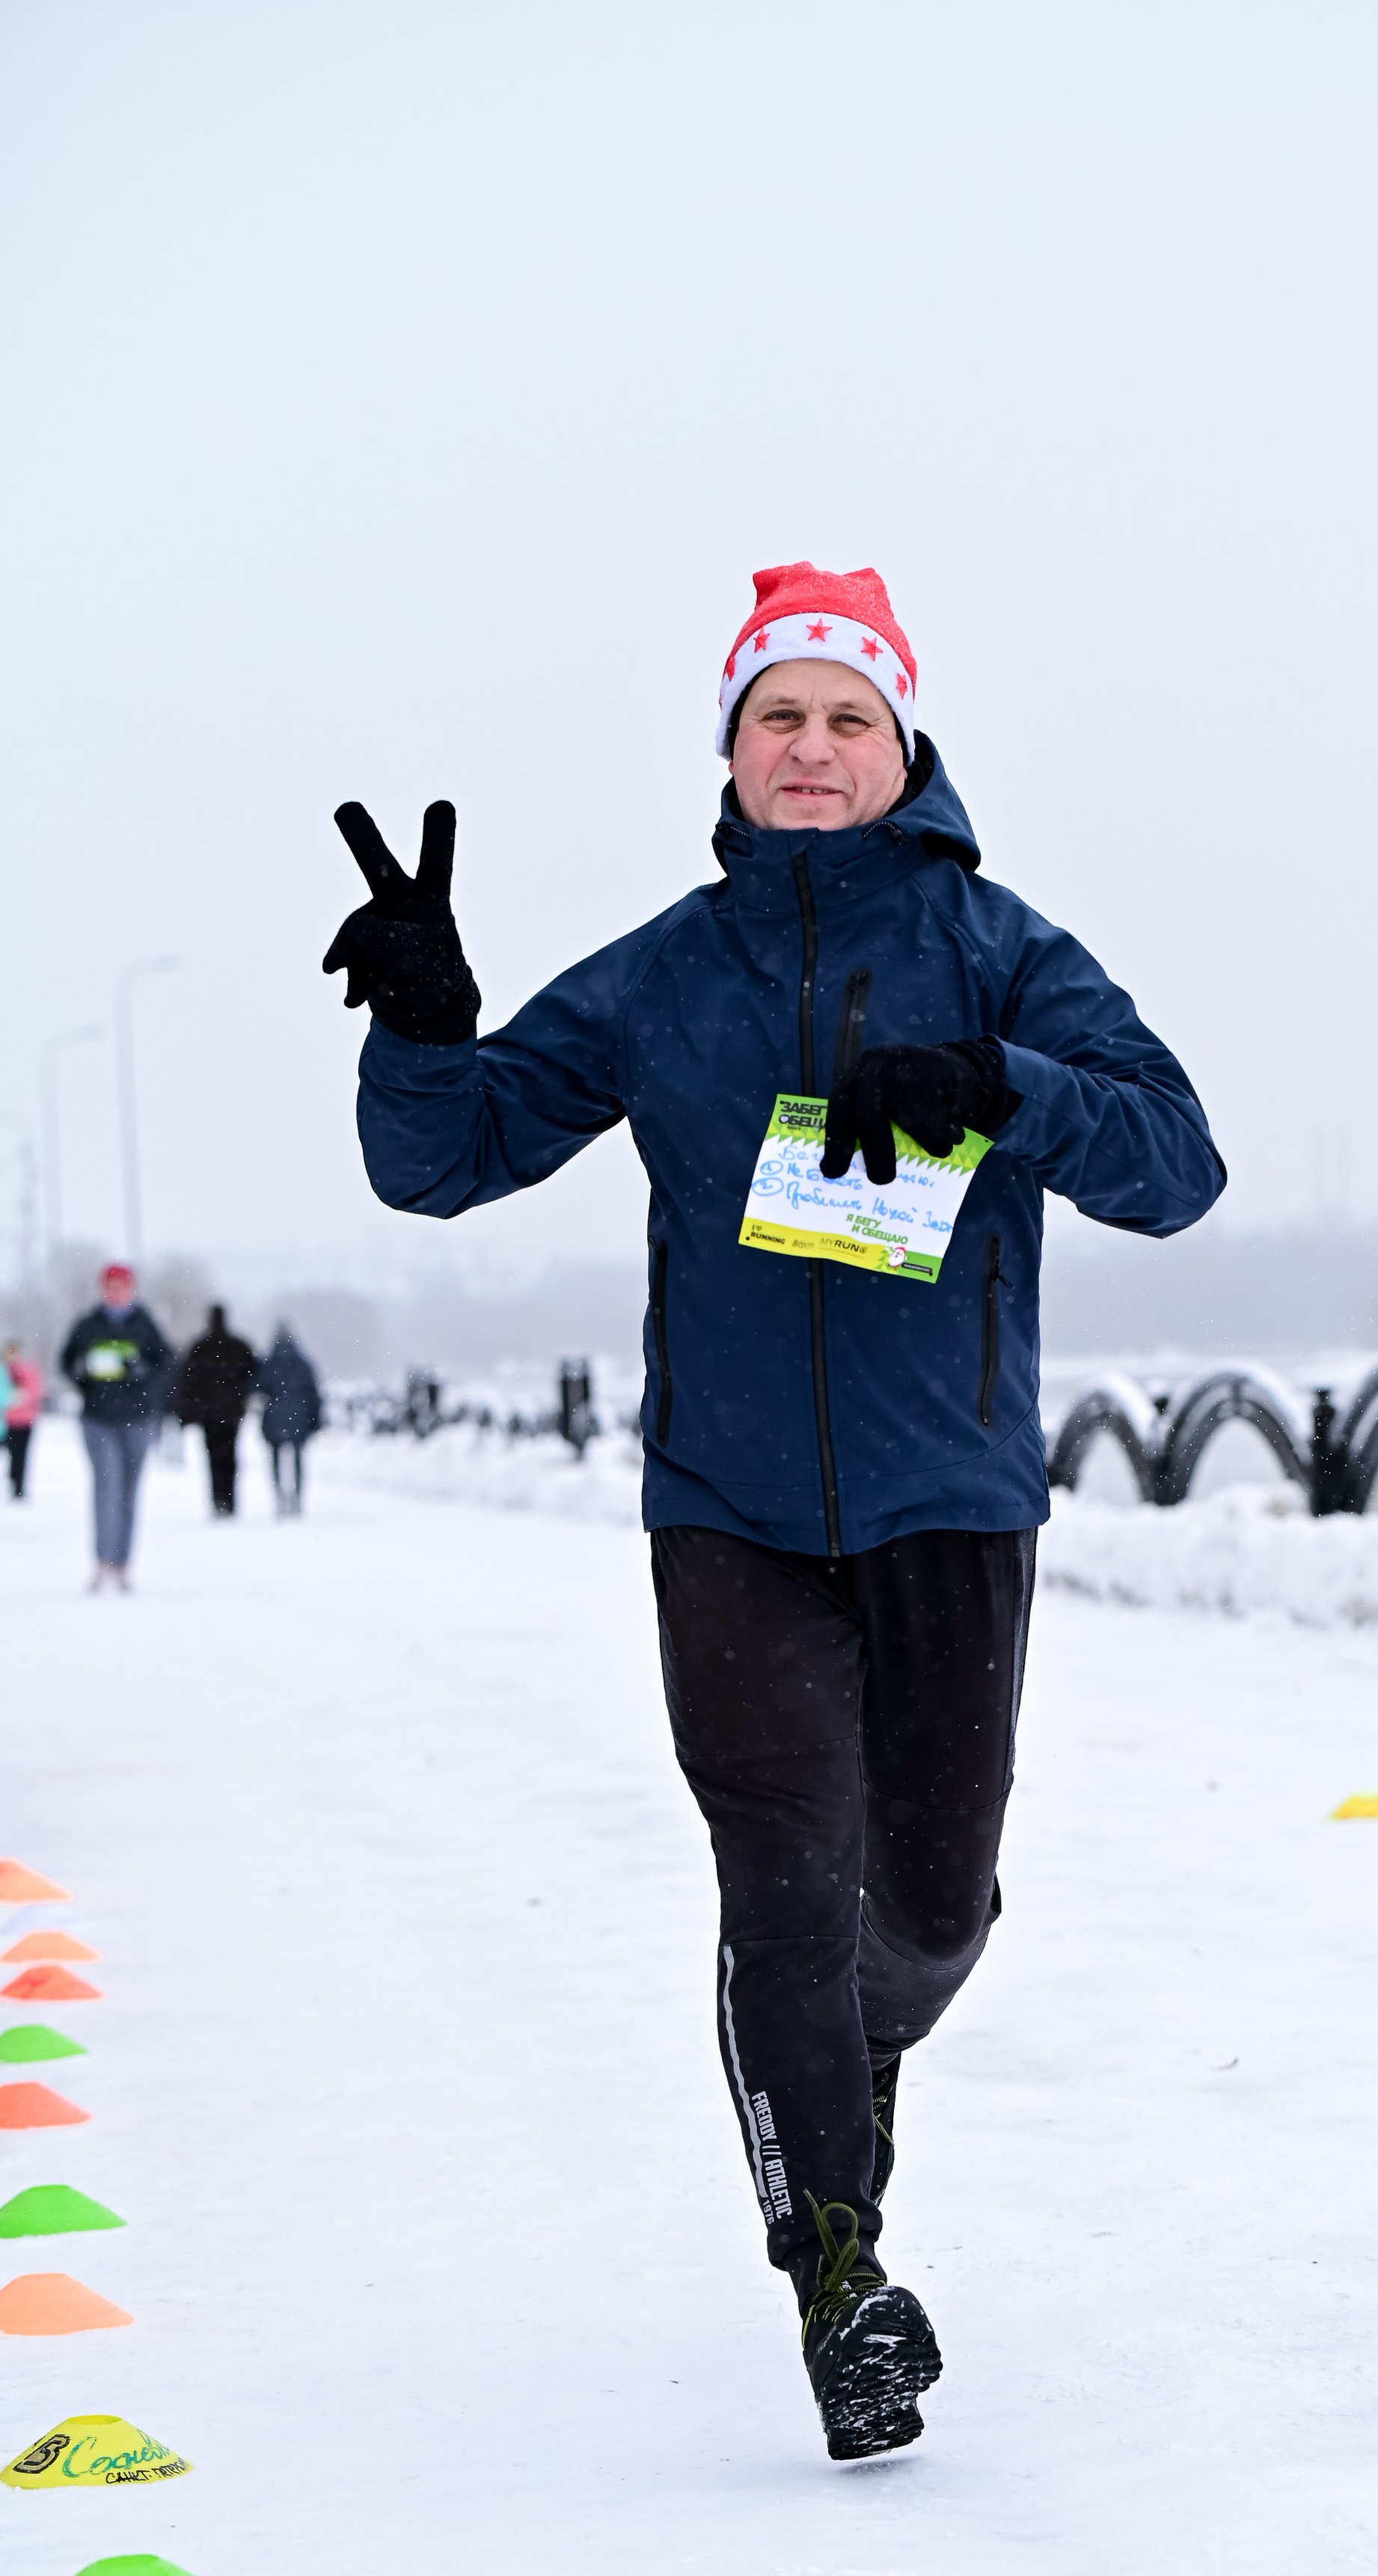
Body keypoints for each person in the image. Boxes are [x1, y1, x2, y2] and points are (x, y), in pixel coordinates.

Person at [323, 562, 1225, 2459]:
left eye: (846, 717)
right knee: (784, 1878)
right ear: (728, 749)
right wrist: (419, 1027)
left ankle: (854, 2047)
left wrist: (1007, 1083)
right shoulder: (667, 970)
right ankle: (838, 2269)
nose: (809, 747)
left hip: (949, 1503)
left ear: (903, 748)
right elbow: (450, 1158)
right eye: (775, 716)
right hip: (725, 1506)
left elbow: (1174, 1163)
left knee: (930, 1901)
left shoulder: (998, 949)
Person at [60, 1264, 172, 1591]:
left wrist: (142, 1373)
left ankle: (123, 1563)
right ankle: (102, 1562)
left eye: (122, 1287)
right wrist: (84, 1375)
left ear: (132, 1289)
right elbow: (67, 1361)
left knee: (129, 1490)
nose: (116, 1292)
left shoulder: (146, 1325)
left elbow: (165, 1364)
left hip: (138, 1418)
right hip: (99, 1418)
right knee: (106, 1486)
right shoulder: (88, 1325)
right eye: (111, 1286)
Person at [172, 1305, 257, 1518]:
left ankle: (218, 1499)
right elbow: (253, 1375)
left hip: (209, 1414)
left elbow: (187, 1381)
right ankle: (229, 1500)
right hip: (231, 1413)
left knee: (213, 1458)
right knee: (230, 1456)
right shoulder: (238, 1346)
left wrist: (189, 1412)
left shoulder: (200, 1347)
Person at [256, 1324, 323, 1513]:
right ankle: (298, 1496)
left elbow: (258, 1386)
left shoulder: (269, 1362)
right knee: (298, 1457)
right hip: (299, 1416)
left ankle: (279, 1494)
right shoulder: (303, 1363)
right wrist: (315, 1420)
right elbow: (313, 1394)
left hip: (275, 1416)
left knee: (276, 1456)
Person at [2, 1340, 43, 1500]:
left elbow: (35, 1391)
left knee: (20, 1456)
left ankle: (18, 1486)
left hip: (23, 1421)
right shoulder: (3, 1371)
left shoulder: (26, 1371)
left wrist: (21, 1397)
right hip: (5, 1422)